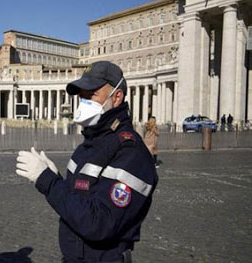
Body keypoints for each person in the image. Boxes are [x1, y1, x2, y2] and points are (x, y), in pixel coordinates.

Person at [15, 61, 158, 263]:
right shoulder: (88, 145)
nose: (84, 103)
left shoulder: (131, 152)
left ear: (117, 97)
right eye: (82, 97)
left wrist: (47, 181)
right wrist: (56, 179)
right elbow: (80, 201)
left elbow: (99, 224)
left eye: (91, 96)